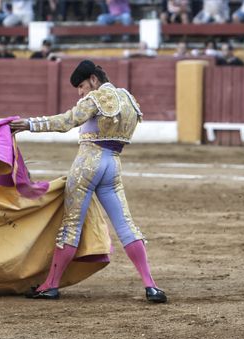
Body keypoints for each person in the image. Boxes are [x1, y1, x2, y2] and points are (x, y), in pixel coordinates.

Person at [9, 60, 168, 303]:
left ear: (94, 79)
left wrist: (30, 124)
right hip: (113, 165)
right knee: (126, 225)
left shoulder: (95, 99)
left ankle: (50, 285)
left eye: (82, 86)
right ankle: (151, 286)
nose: (81, 92)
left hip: (88, 164)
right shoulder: (128, 99)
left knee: (71, 225)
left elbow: (65, 122)